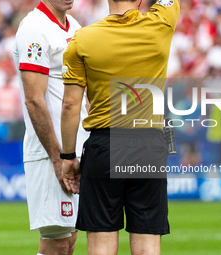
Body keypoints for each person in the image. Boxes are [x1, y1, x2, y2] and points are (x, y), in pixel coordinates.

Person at [61, 0, 180, 254]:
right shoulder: (160, 23)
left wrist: (68, 156)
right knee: (148, 242)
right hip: (148, 143)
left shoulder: (82, 39)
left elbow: (70, 106)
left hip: (105, 143)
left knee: (101, 243)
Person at [12, 0, 88, 255]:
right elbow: (34, 99)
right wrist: (58, 157)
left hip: (73, 149)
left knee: (69, 240)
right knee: (56, 242)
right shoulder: (34, 28)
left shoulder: (74, 26)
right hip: (50, 152)